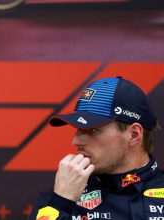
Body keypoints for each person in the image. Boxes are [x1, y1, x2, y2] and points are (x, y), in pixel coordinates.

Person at [29, 76, 162, 220]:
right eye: (79, 129)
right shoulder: (55, 201)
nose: (75, 141)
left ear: (134, 134)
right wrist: (61, 201)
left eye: (93, 130)